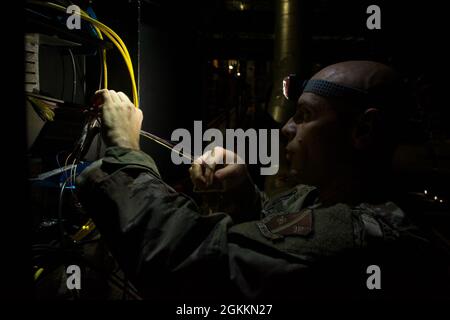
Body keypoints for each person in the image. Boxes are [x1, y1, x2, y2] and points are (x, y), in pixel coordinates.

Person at [76, 61, 446, 300]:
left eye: (304, 116)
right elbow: (279, 234)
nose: (287, 129)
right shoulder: (326, 198)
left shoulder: (363, 236)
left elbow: (189, 265)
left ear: (364, 130)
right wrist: (243, 196)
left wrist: (125, 150)